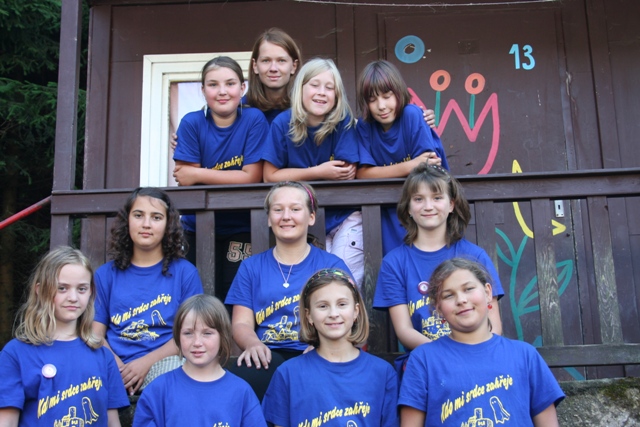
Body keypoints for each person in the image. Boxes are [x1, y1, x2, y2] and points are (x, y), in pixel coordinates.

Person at [225, 181, 352, 400]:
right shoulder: (251, 267)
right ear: (269, 218)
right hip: (266, 354)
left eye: (295, 209)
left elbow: (349, 318)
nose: (286, 216)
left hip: (314, 350)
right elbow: (241, 324)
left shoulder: (331, 265)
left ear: (311, 217)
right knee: (236, 381)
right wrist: (253, 344)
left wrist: (324, 346)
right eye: (278, 210)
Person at [399, 258, 564, 426]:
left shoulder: (525, 355)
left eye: (469, 289)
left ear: (488, 293)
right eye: (448, 295)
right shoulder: (423, 359)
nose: (461, 300)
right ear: (438, 309)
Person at [373, 163, 504, 374]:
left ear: (451, 204)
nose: (428, 206)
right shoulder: (394, 262)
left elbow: (494, 325)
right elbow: (404, 330)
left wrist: (472, 354)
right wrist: (446, 354)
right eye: (418, 199)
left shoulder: (475, 256)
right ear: (408, 208)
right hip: (427, 360)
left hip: (477, 357)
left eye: (437, 198)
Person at [172, 56, 268, 304]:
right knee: (197, 296)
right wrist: (232, 176)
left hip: (242, 225)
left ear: (242, 88)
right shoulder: (192, 122)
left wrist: (198, 173)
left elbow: (252, 176)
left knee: (236, 297)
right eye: (213, 84)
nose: (222, 91)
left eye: (230, 83)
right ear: (203, 90)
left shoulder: (254, 119)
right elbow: (184, 179)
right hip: (196, 225)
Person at [261, 58, 365, 286]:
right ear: (301, 88)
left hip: (344, 216)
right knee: (312, 284)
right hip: (305, 221)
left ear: (337, 95)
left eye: (329, 88)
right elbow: (270, 175)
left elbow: (346, 171)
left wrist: (298, 174)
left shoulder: (343, 121)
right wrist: (319, 171)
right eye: (315, 85)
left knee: (341, 282)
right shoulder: (283, 122)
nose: (321, 93)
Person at [0, 246, 129, 426]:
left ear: (91, 291)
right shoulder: (15, 354)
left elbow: (112, 423)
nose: (73, 297)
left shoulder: (103, 356)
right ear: (40, 290)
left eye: (81, 289)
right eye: (62, 288)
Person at [93, 187, 204, 395]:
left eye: (156, 217)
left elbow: (190, 334)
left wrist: (145, 363)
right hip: (113, 362)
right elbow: (94, 333)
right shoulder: (106, 274)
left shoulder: (184, 273)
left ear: (168, 225)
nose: (146, 224)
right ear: (127, 221)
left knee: (179, 375)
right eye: (138, 215)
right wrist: (117, 366)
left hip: (163, 362)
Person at [262, 268, 398, 427]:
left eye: (342, 304)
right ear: (309, 315)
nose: (333, 313)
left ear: (356, 311)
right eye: (323, 306)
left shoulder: (382, 373)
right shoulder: (288, 374)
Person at [356, 60, 448, 255]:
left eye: (387, 96)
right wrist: (410, 166)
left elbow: (428, 167)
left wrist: (383, 172)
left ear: (399, 92)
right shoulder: (364, 126)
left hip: (423, 207)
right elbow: (362, 174)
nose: (381, 106)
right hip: (386, 212)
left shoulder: (412, 115)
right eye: (372, 100)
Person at [133, 294, 266, 426]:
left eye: (207, 333)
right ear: (178, 337)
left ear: (223, 336)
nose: (197, 342)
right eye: (188, 333)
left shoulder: (241, 392)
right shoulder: (158, 391)